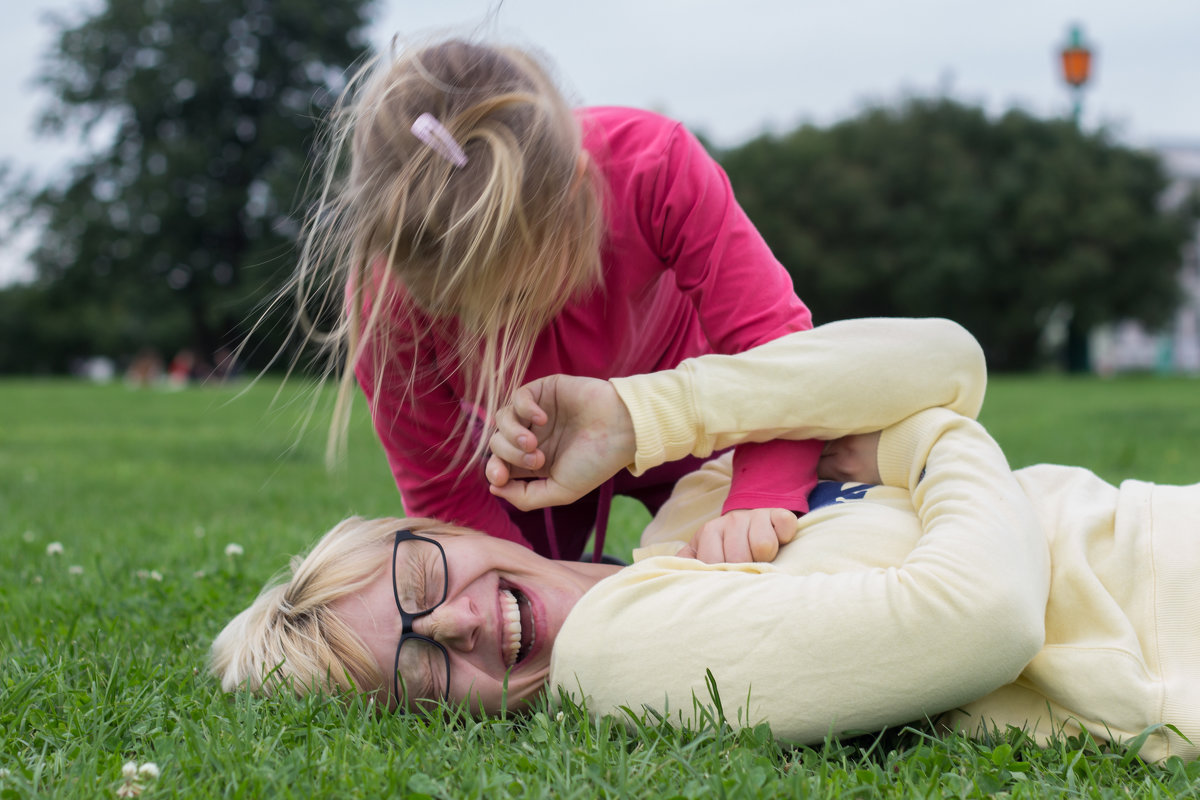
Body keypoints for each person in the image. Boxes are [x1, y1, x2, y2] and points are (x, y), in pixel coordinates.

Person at [211, 317, 1200, 763]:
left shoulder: (691, 524)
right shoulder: (616, 655)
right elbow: (983, 608)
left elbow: (946, 354)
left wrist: (651, 415)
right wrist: (928, 441)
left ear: (441, 525)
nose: (462, 622)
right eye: (418, 668)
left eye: (422, 574)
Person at [293, 37, 822, 562]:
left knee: (782, 564)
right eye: (458, 313)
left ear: (575, 193)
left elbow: (775, 349)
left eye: (516, 295)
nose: (498, 325)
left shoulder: (654, 165)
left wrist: (760, 498)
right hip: (529, 463)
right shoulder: (389, 292)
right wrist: (538, 585)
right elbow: (444, 491)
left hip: (696, 422)